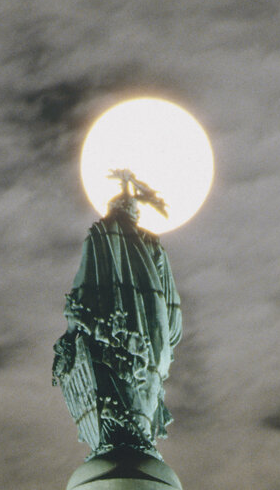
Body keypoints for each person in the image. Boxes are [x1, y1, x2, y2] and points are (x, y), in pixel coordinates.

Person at [53, 170, 183, 455]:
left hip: (124, 339)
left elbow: (83, 290)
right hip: (146, 343)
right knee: (138, 390)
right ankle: (137, 440)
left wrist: (76, 327)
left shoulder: (104, 236)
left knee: (131, 387)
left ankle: (130, 441)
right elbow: (171, 307)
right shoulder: (147, 245)